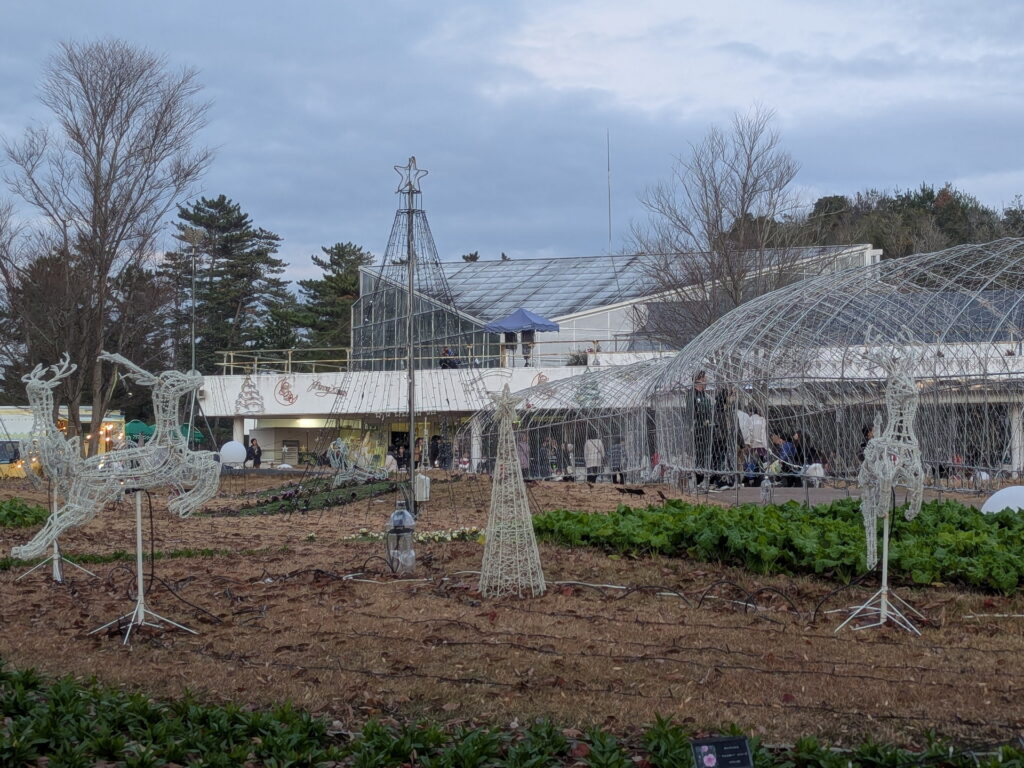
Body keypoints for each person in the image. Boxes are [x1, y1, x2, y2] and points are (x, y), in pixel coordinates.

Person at [691, 371, 713, 487]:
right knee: (699, 454)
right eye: (704, 379)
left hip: (707, 429)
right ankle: (699, 480)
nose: (706, 381)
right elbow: (691, 413)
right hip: (698, 429)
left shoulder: (705, 395)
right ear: (698, 380)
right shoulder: (692, 395)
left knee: (707, 454)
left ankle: (707, 479)